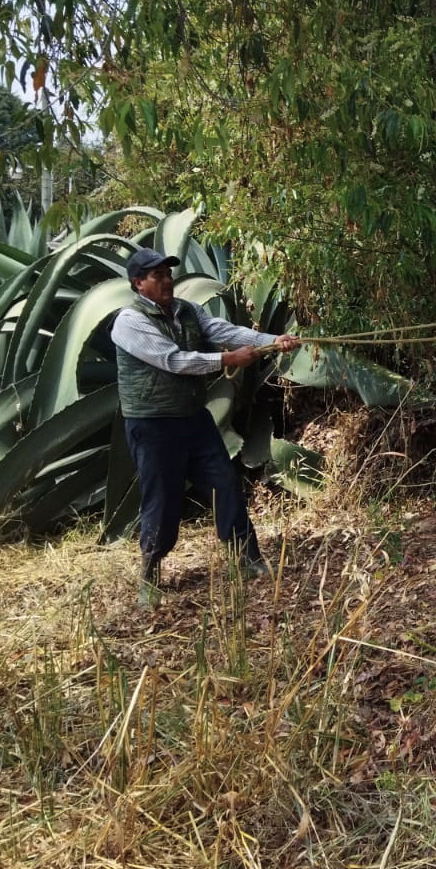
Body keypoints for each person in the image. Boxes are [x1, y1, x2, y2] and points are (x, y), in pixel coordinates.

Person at [111, 246, 302, 605]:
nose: (167, 280)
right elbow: (173, 360)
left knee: (224, 483)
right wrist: (227, 359)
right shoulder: (129, 321)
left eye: (168, 274)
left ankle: (249, 558)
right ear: (138, 283)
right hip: (152, 426)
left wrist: (273, 343)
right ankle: (150, 574)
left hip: (192, 418)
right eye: (157, 275)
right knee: (162, 499)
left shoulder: (186, 310)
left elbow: (224, 330)